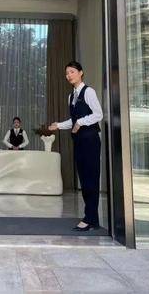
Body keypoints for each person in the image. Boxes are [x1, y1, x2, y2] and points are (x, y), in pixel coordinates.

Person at [49, 61, 103, 231]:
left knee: (90, 179)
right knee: (84, 179)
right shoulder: (71, 96)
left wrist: (80, 122)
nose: (69, 75)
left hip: (90, 140)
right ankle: (92, 219)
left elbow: (98, 115)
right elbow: (73, 121)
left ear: (81, 72)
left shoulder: (89, 92)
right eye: (67, 73)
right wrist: (58, 125)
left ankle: (89, 218)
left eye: (72, 72)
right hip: (79, 141)